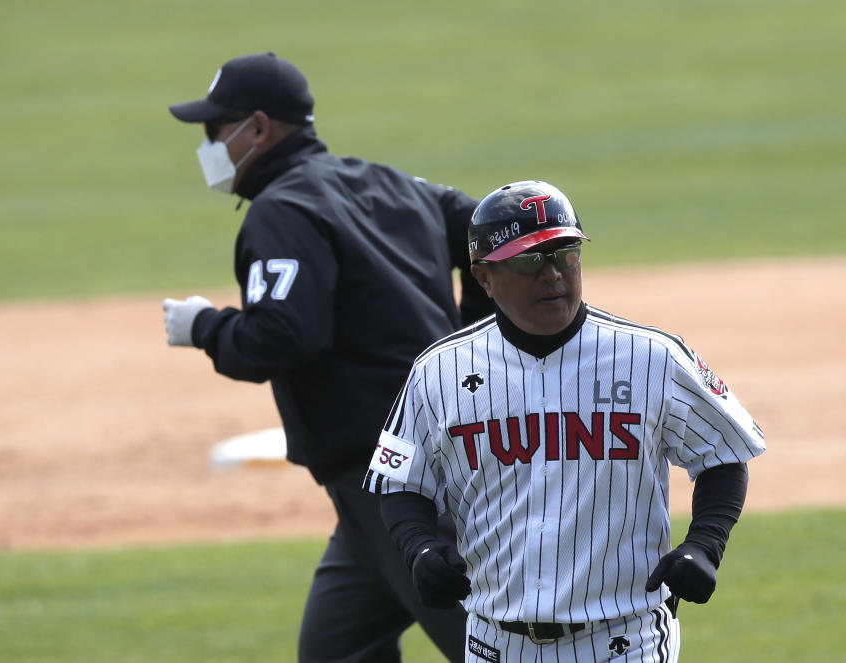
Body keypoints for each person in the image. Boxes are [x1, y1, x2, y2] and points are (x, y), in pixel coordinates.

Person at [161, 52, 492, 663]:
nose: (209, 145)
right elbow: (482, 223)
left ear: (257, 129)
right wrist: (475, 337)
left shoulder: (282, 210)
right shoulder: (391, 182)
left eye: (215, 130)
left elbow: (280, 336)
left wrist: (205, 327)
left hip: (398, 482)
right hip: (396, 473)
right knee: (337, 651)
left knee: (494, 651)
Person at [364, 180, 766, 662]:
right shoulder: (440, 371)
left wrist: (705, 544)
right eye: (530, 260)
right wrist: (420, 548)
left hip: (625, 641)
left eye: (565, 253)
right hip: (494, 644)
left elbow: (722, 453)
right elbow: (400, 479)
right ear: (483, 277)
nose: (553, 274)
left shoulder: (650, 359)